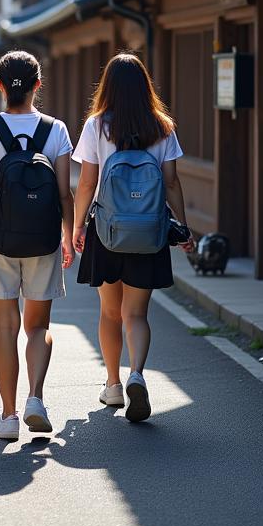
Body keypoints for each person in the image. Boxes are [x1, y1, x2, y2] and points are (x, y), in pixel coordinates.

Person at [72, 52, 196, 423]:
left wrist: (78, 226)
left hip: (107, 231)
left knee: (110, 313)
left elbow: (88, 181)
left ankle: (112, 385)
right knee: (137, 313)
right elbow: (171, 182)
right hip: (150, 231)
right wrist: (183, 227)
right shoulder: (163, 126)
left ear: (107, 86)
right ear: (145, 86)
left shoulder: (97, 125)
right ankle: (137, 374)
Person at [0, 51, 75, 441]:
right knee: (38, 325)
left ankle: (8, 417)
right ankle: (36, 400)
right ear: (37, 85)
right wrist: (68, 235)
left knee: (5, 327)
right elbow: (64, 193)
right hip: (43, 238)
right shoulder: (56, 130)